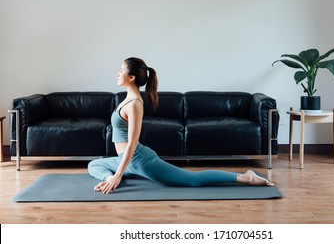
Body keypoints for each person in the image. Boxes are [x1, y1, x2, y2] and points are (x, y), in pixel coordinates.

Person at [88, 57, 274, 194]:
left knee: (192, 181)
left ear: (132, 77)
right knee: (94, 165)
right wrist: (112, 176)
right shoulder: (126, 99)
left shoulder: (135, 103)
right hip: (124, 160)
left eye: (121, 70)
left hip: (139, 160)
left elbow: (132, 143)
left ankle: (246, 177)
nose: (117, 73)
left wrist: (119, 174)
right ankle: (112, 176)